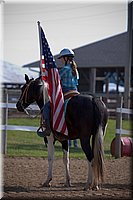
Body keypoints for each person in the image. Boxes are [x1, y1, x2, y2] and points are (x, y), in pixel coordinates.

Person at [38, 48, 79, 137]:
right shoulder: (75, 70)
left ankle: (48, 128)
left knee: (47, 106)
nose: (60, 60)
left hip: (66, 92)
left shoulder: (65, 69)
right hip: (75, 91)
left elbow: (54, 79)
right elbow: (76, 83)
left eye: (61, 58)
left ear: (66, 58)